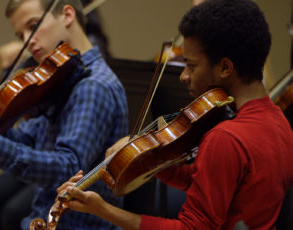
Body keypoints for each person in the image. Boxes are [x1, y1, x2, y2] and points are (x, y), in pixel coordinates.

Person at [57, 0, 293, 229]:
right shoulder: (280, 121)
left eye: (191, 65)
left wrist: (103, 210)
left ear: (225, 68)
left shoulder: (226, 138)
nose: (184, 76)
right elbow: (209, 184)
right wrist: (150, 157)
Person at [0, 1, 128, 230]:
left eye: (33, 26)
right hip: (43, 220)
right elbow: (29, 140)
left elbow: (69, 170)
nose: (26, 40)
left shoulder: (93, 86)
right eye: (20, 34)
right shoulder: (63, 78)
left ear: (67, 14)